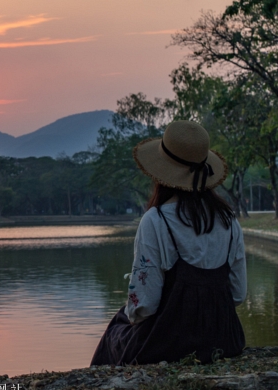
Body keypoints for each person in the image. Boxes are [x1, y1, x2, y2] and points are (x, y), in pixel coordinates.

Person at [91, 120, 246, 366]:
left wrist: (130, 310)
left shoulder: (156, 220)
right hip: (225, 340)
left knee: (117, 328)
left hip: (169, 343)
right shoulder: (230, 222)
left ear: (161, 172)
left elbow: (144, 306)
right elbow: (237, 294)